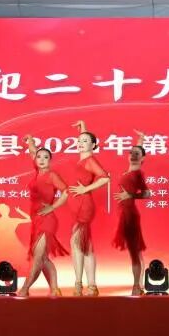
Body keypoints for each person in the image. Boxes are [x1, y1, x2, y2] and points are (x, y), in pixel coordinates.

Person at [18, 137, 69, 297]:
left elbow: (66, 191)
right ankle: (54, 289)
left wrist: (53, 207)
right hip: (36, 221)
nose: (41, 159)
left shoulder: (51, 175)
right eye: (39, 157)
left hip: (47, 220)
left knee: (38, 257)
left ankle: (25, 289)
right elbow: (33, 152)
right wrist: (30, 141)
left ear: (50, 160)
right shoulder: (37, 173)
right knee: (44, 258)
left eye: (45, 157)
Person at [68, 121, 110, 296]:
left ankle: (85, 285)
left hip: (84, 206)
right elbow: (87, 140)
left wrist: (85, 189)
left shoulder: (90, 160)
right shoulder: (84, 159)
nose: (80, 142)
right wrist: (83, 128)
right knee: (82, 245)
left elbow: (105, 178)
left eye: (85, 141)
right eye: (79, 140)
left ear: (93, 145)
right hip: (78, 205)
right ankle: (85, 285)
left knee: (80, 244)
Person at [112, 131, 151, 296]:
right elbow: (138, 151)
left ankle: (136, 286)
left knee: (134, 252)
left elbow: (147, 194)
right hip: (125, 214)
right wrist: (140, 140)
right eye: (131, 153)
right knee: (136, 252)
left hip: (130, 216)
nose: (133, 155)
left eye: (137, 154)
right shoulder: (131, 171)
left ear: (142, 159)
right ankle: (139, 284)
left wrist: (131, 195)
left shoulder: (138, 173)